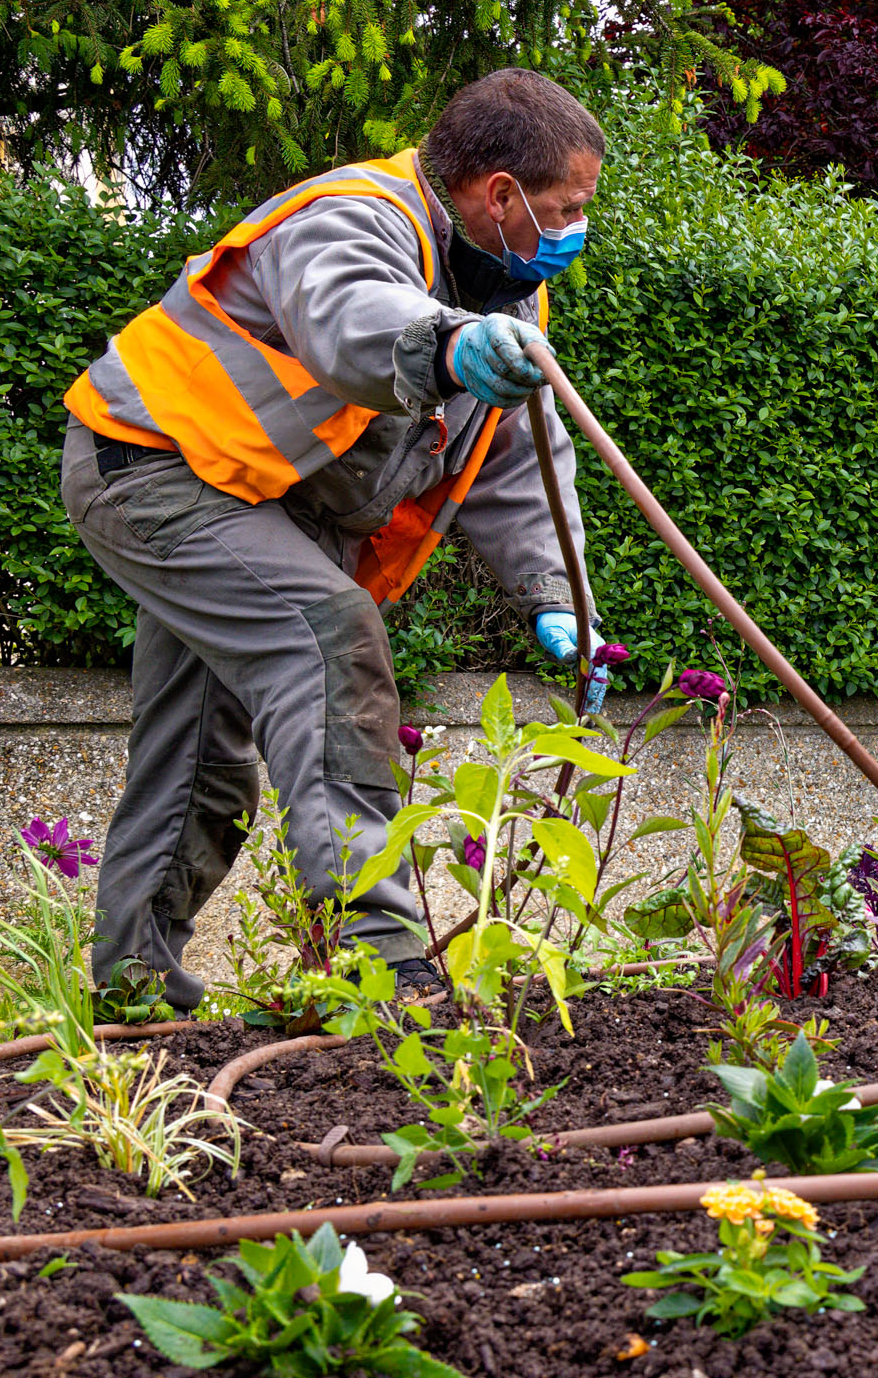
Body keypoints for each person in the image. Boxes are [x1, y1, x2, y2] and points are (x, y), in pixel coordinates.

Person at [59, 68, 612, 1008]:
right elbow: (351, 312)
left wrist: (562, 600)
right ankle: (385, 966)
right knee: (326, 636)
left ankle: (131, 991)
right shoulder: (353, 214)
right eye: (565, 208)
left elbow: (518, 458)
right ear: (501, 195)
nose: (576, 231)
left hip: (247, 495)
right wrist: (444, 346)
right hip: (153, 467)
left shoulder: (509, 300)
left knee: (201, 751)